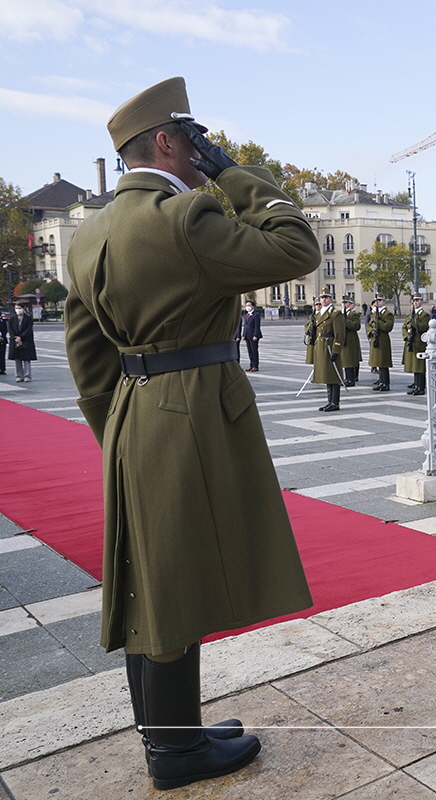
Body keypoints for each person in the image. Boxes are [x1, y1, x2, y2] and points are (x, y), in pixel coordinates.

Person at [63, 76, 316, 790]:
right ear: (171, 142)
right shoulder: (185, 217)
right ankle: (175, 756)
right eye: (194, 140)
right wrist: (233, 172)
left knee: (149, 581)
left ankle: (170, 735)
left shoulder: (88, 234)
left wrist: (118, 432)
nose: (201, 154)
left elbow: (87, 363)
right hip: (194, 409)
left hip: (133, 412)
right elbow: (294, 247)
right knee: (174, 586)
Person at [312, 291, 346, 411]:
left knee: (334, 375)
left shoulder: (335, 314)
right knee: (327, 375)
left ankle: (335, 403)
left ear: (331, 299)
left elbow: (340, 334)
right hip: (321, 346)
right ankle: (329, 401)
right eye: (322, 297)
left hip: (330, 345)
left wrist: (336, 349)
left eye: (326, 297)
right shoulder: (319, 313)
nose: (324, 299)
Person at [368, 295, 396, 392]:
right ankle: (381, 382)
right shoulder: (374, 314)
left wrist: (378, 321)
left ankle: (386, 383)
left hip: (383, 339)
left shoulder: (387, 314)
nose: (377, 302)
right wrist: (370, 331)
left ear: (384, 302)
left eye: (379, 300)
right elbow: (369, 325)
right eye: (376, 300)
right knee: (377, 362)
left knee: (383, 362)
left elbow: (387, 327)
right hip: (375, 339)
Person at [395, 294, 422, 394]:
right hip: (410, 341)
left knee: (419, 366)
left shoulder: (424, 315)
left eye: (418, 300)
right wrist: (406, 336)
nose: (415, 302)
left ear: (421, 301)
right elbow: (404, 327)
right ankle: (416, 384)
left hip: (418, 343)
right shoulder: (409, 315)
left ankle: (420, 387)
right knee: (414, 365)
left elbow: (423, 327)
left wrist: (414, 322)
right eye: (414, 301)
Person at [8, 304, 36, 382]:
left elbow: (29, 330)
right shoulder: (12, 319)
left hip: (26, 340)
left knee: (26, 359)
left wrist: (21, 337)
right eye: (16, 308)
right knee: (17, 359)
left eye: (19, 308)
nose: (18, 310)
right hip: (15, 341)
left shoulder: (28, 319)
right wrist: (15, 338)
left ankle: (27, 375)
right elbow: (10, 330)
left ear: (23, 309)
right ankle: (18, 375)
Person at [341, 296, 362, 387]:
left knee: (349, 359)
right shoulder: (340, 314)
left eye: (346, 303)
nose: (344, 305)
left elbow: (356, 326)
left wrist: (346, 321)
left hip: (350, 338)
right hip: (343, 338)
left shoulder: (353, 315)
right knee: (345, 360)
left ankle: (351, 379)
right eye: (343, 303)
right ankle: (347, 378)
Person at [236, 298, 261, 371]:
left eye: (249, 305)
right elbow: (245, 326)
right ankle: (251, 365)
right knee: (250, 351)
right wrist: (243, 335)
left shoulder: (256, 315)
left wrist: (255, 335)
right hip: (247, 336)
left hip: (253, 336)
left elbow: (257, 326)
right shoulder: (246, 315)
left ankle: (255, 366)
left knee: (254, 351)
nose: (247, 307)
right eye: (246, 305)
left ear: (253, 306)